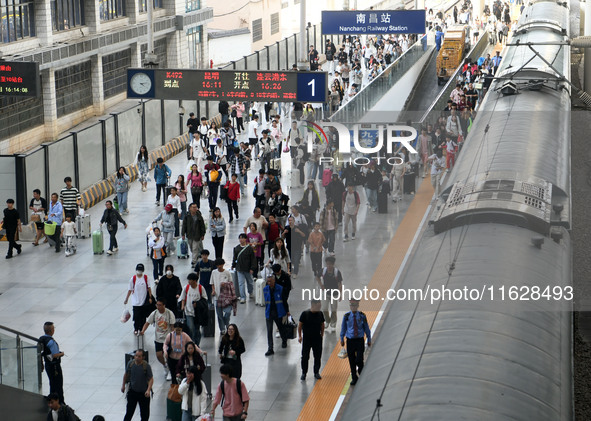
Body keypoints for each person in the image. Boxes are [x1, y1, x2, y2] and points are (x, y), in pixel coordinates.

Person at [140, 298, 176, 380]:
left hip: (168, 339)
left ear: (164, 305)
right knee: (159, 355)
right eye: (157, 305)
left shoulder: (169, 313)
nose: (158, 307)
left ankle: (170, 370)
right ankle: (165, 366)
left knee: (168, 355)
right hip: (158, 339)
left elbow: (172, 327)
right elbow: (147, 323)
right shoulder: (155, 313)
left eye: (160, 305)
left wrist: (173, 337)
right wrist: (143, 331)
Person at [339, 300, 372, 386]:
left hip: (359, 340)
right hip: (350, 341)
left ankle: (362, 373)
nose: (353, 307)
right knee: (351, 360)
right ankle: (354, 377)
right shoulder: (346, 316)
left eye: (354, 306)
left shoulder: (362, 316)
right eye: (351, 306)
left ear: (357, 306)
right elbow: (343, 328)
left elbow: (366, 328)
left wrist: (369, 339)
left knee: (359, 359)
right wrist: (342, 338)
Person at [121, 349, 153, 421]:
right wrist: (123, 385)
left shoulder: (146, 366)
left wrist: (148, 390)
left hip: (143, 393)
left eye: (139, 356)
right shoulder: (131, 364)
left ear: (143, 357)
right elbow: (126, 374)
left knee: (145, 415)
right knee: (129, 413)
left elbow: (151, 379)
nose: (137, 358)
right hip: (133, 392)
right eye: (136, 356)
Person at [263, 273, 290, 356]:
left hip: (278, 312)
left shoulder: (280, 289)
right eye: (268, 281)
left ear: (274, 280)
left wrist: (287, 311)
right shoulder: (265, 289)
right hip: (269, 312)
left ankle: (284, 340)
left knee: (281, 327)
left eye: (270, 281)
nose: (269, 283)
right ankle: (270, 348)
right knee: (269, 331)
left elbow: (284, 301)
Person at [124, 263, 155, 335]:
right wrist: (126, 299)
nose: (139, 271)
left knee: (143, 316)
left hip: (144, 301)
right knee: (136, 316)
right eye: (138, 270)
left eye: (140, 270)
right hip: (136, 302)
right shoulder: (133, 279)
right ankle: (136, 328)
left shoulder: (146, 278)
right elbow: (130, 289)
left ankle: (141, 329)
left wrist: (150, 297)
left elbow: (149, 288)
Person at [298, 299, 325, 381]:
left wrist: (322, 334)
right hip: (307, 339)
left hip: (317, 338)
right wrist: (300, 336)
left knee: (317, 356)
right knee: (305, 356)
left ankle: (316, 372)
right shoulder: (305, 314)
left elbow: (322, 324)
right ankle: (304, 373)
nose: (320, 306)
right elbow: (300, 326)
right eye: (318, 305)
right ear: (313, 304)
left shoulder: (320, 314)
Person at [39, 322, 65, 404]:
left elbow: (40, 352)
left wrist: (41, 363)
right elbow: (54, 355)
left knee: (52, 383)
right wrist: (62, 354)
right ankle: (60, 402)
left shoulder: (41, 339)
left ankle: (52, 401)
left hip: (48, 365)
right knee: (58, 385)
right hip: (55, 366)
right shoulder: (51, 342)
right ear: (51, 330)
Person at [180, 273, 208, 346]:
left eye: (190, 280)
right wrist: (183, 306)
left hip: (198, 313)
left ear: (195, 281)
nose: (189, 281)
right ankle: (191, 344)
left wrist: (197, 304)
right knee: (191, 328)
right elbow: (182, 297)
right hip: (188, 312)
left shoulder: (201, 288)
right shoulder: (186, 288)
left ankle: (196, 344)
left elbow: (205, 299)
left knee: (197, 329)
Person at [318, 255, 343, 331]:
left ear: (333, 264)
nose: (329, 266)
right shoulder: (323, 270)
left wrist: (340, 294)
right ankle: (327, 320)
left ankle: (333, 323)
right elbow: (317, 277)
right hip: (326, 293)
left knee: (334, 309)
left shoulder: (336, 272)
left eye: (330, 264)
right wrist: (321, 285)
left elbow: (339, 284)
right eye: (327, 264)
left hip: (334, 294)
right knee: (324, 308)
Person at [232, 233, 258, 304]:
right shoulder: (236, 248)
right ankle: (243, 297)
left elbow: (253, 259)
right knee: (241, 283)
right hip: (239, 268)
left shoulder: (249, 248)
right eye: (240, 238)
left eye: (242, 238)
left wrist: (252, 268)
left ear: (246, 239)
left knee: (250, 282)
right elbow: (234, 258)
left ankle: (250, 292)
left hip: (248, 269)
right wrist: (233, 265)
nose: (241, 240)